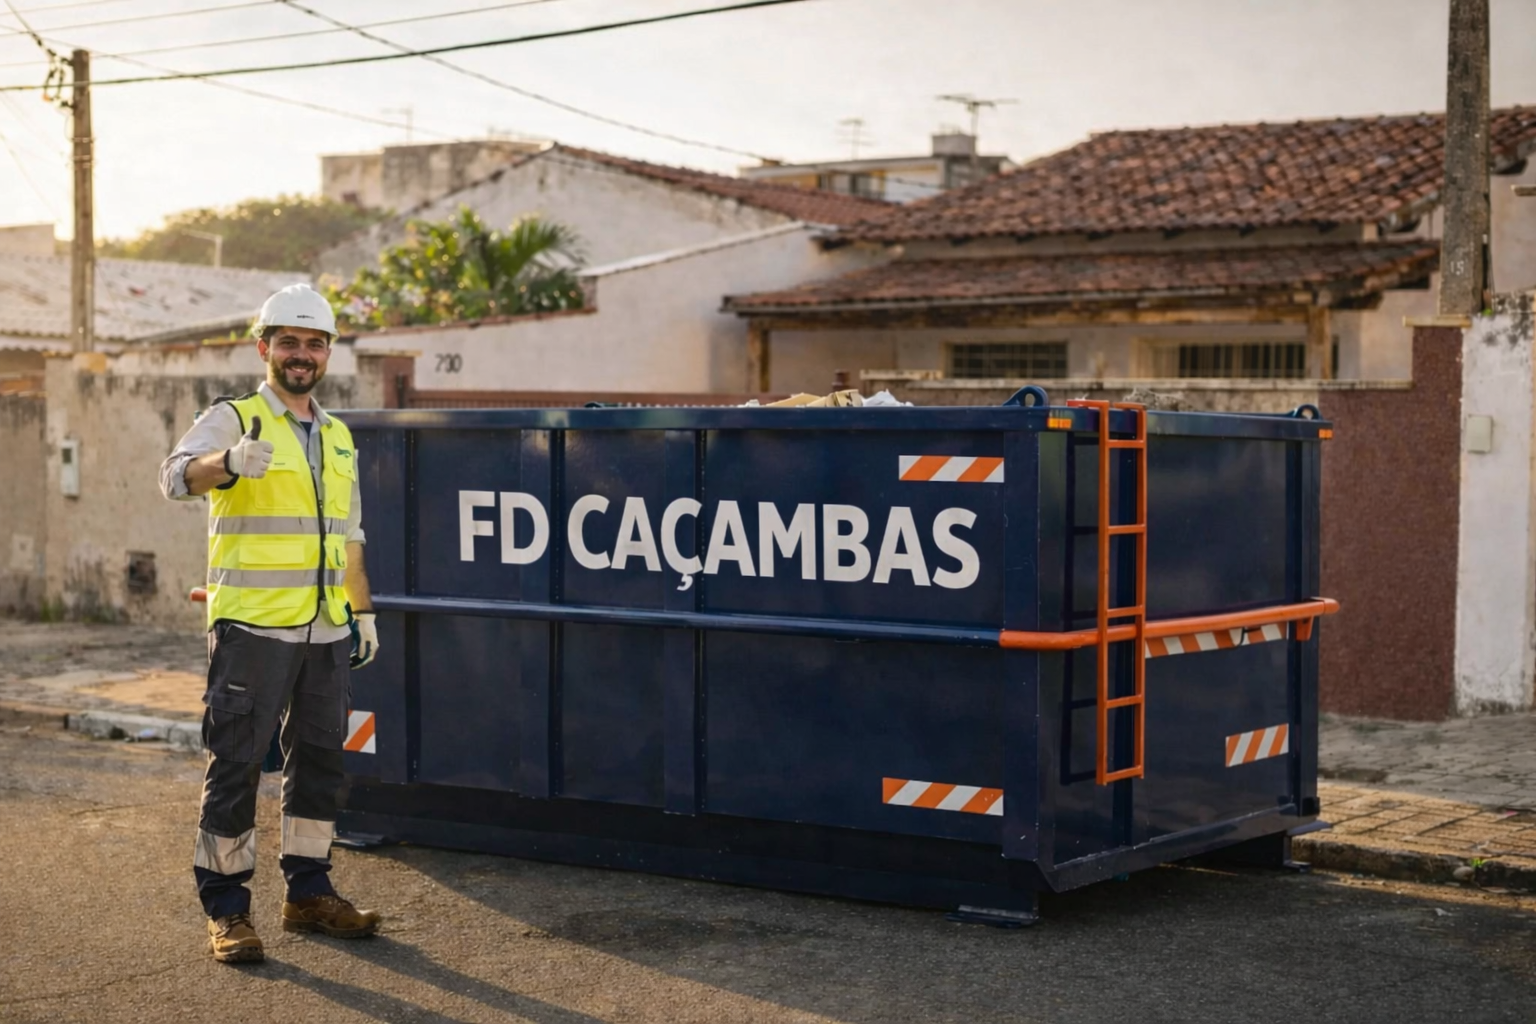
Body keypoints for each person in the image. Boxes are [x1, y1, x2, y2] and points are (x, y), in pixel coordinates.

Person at [159, 284, 382, 964]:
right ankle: (227, 910)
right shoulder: (234, 416)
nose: (301, 354)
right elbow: (173, 478)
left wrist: (363, 611)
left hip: (324, 629)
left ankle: (308, 894)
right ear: (265, 348)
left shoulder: (339, 436)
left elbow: (350, 535)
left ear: (327, 355)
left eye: (315, 343)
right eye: (288, 341)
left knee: (318, 765)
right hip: (252, 630)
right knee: (236, 767)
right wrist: (224, 464)